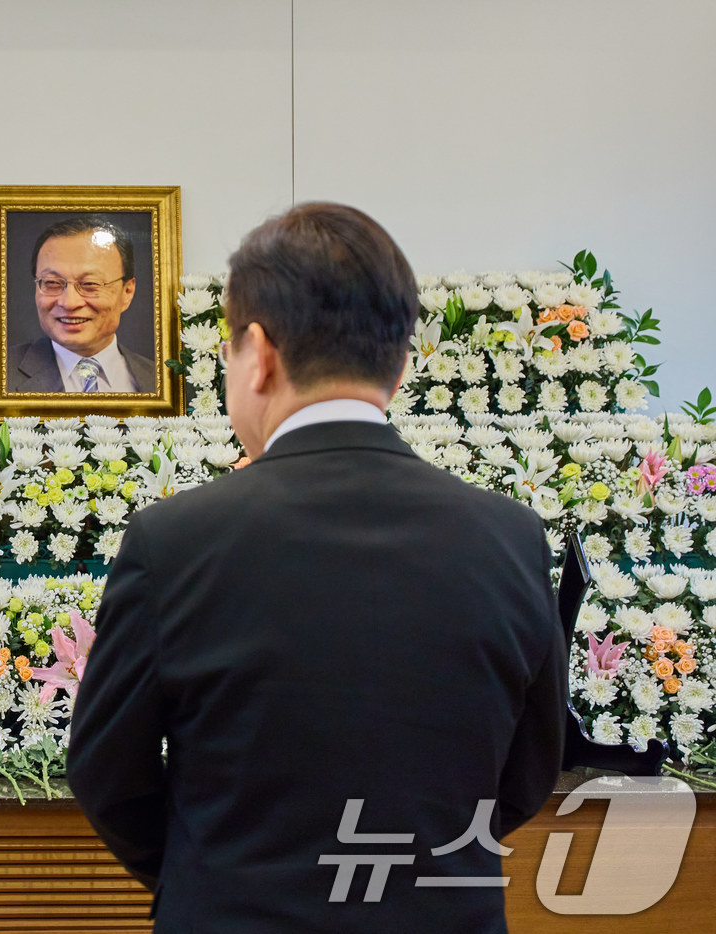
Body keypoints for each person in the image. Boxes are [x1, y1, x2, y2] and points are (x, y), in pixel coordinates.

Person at [67, 202, 566, 932]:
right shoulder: (510, 537)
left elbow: (109, 776)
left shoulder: (175, 540)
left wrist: (215, 871)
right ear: (399, 363)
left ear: (258, 353)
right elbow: (528, 771)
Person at [7, 216, 157, 393]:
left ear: (127, 292)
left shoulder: (161, 380)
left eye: (90, 284)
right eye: (52, 283)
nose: (69, 303)